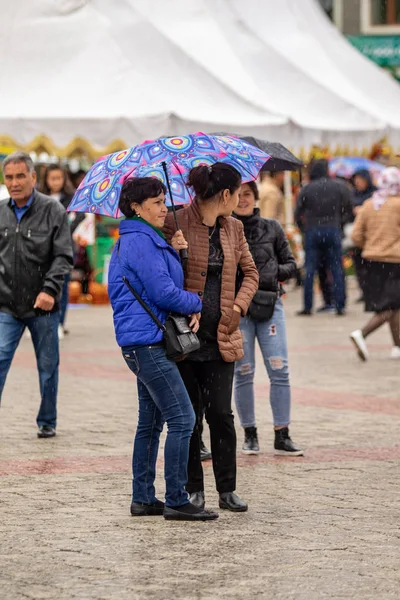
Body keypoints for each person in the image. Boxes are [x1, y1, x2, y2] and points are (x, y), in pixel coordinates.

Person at [107, 177, 218, 522]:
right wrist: (195, 302)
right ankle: (176, 498)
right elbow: (163, 292)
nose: (163, 208)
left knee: (151, 421)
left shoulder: (146, 239)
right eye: (155, 202)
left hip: (142, 340)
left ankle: (143, 498)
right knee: (183, 418)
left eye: (163, 200)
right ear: (136, 208)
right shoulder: (140, 241)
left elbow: (163, 282)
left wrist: (177, 249)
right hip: (147, 343)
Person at [164, 163, 259, 513]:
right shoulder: (173, 222)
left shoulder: (234, 228)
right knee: (188, 416)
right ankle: (193, 489)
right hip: (184, 340)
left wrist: (239, 306)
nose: (238, 199)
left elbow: (251, 272)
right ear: (225, 194)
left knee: (220, 413)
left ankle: (227, 488)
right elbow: (160, 276)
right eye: (237, 193)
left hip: (222, 336)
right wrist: (173, 249)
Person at [0, 152, 73, 438]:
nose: (14, 182)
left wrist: (49, 290)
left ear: (33, 177)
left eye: (20, 176)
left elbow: (64, 256)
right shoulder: (1, 211)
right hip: (6, 304)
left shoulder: (53, 211)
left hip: (43, 306)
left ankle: (47, 420)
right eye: (9, 177)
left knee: (47, 367)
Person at [233, 182, 303, 456]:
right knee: (244, 372)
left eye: (247, 194)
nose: (242, 200)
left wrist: (270, 274)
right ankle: (250, 434)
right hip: (240, 309)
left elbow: (291, 265)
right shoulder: (223, 228)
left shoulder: (272, 227)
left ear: (255, 197)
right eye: (237, 195)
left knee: (279, 370)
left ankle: (282, 433)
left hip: (271, 306)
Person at [350, 167, 400, 361]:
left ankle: (397, 346)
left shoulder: (370, 204)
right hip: (395, 262)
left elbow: (355, 235)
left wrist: (370, 245)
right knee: (391, 305)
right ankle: (362, 334)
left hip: (371, 262)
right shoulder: (398, 205)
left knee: (392, 304)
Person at [295, 159, 353, 316]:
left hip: (312, 231)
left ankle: (308, 306)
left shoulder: (307, 189)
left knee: (310, 270)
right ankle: (340, 304)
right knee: (336, 268)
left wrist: (304, 229)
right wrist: (339, 224)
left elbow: (297, 213)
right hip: (333, 229)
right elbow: (350, 208)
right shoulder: (339, 187)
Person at [39, 164, 84, 338]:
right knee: (42, 284)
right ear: (46, 179)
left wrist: (66, 229)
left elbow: (79, 216)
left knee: (62, 285)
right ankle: (42, 320)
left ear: (63, 179)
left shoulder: (71, 197)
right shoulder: (39, 198)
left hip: (65, 248)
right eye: (52, 178)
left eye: (59, 178)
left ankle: (59, 322)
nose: (55, 182)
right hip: (43, 249)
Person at [350, 170, 377, 303]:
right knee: (359, 267)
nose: (357, 182)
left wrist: (363, 211)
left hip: (372, 236)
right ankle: (365, 292)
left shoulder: (375, 194)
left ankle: (373, 292)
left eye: (360, 178)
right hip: (358, 236)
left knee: (372, 266)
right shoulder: (353, 194)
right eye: (355, 179)